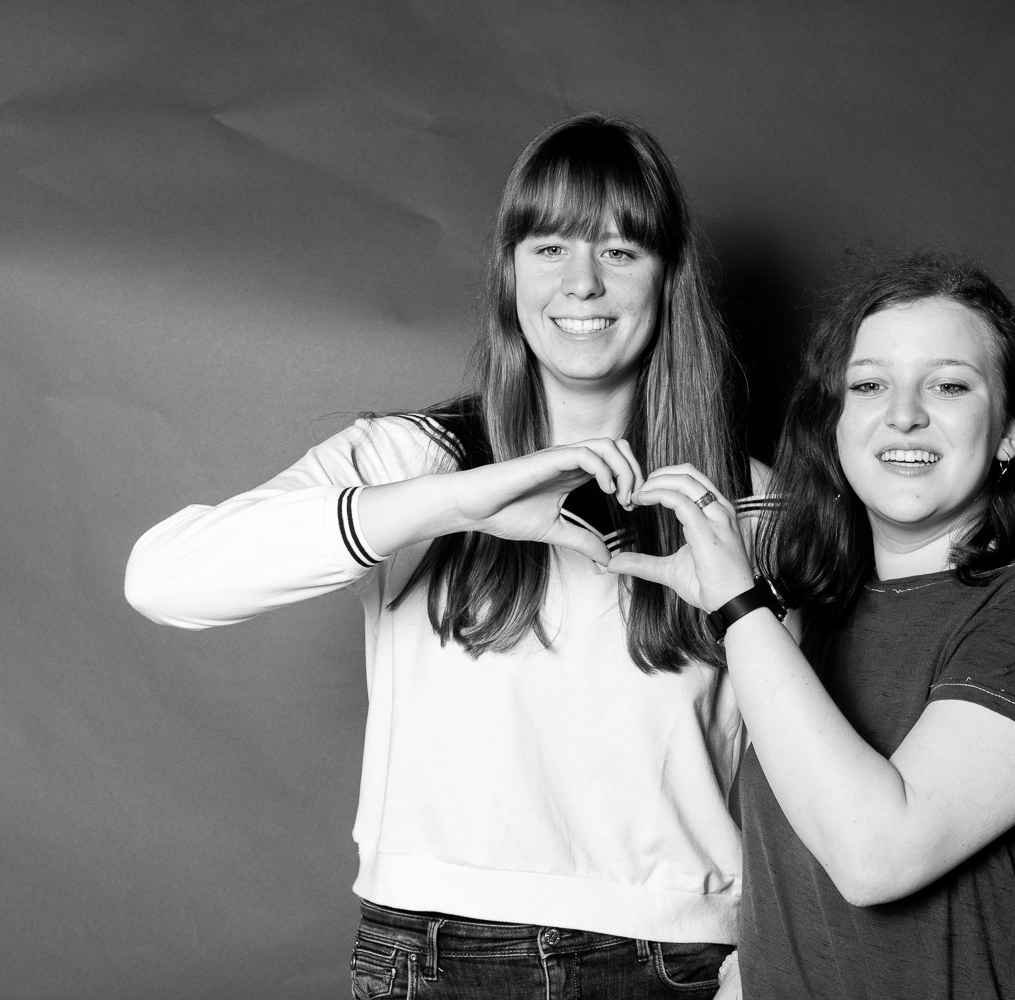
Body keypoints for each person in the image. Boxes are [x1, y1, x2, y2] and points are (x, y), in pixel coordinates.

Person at [125, 114, 764, 999]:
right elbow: (164, 580)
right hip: (432, 955)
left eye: (620, 251)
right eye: (549, 248)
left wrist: (752, 978)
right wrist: (462, 498)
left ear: (668, 278)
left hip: (673, 963)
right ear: (509, 273)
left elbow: (809, 780)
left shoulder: (746, 505)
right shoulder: (409, 460)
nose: (581, 282)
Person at [610, 250, 1015, 999]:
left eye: (949, 385)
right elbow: (793, 887)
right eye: (870, 385)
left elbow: (874, 856)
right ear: (836, 425)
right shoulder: (814, 619)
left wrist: (736, 604)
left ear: (1011, 433)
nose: (904, 413)